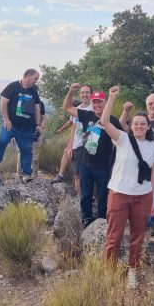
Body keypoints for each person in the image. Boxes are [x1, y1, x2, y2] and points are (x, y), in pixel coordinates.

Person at [102, 86, 154, 288]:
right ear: (131, 125)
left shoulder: (153, 146)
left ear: (148, 127)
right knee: (114, 235)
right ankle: (108, 271)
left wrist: (152, 199)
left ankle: (132, 270)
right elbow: (105, 121)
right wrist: (111, 98)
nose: (139, 126)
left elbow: (152, 173)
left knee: (138, 236)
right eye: (136, 123)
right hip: (119, 194)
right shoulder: (122, 139)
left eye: (143, 124)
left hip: (142, 196)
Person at [63, 83, 122, 226]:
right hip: (85, 164)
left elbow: (123, 138)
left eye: (99, 102)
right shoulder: (86, 115)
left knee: (103, 197)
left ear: (105, 102)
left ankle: (102, 222)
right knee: (85, 195)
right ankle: (87, 221)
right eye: (94, 102)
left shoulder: (112, 120)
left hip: (103, 167)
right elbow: (67, 107)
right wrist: (71, 91)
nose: (96, 105)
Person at [120, 93, 154, 236]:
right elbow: (121, 127)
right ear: (147, 105)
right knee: (136, 193)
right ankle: (136, 219)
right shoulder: (140, 120)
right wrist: (126, 111)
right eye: (150, 103)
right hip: (136, 166)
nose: (153, 106)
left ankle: (152, 222)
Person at [0, 69, 41, 183]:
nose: (36, 81)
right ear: (28, 75)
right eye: (35, 79)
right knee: (2, 140)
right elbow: (3, 103)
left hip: (27, 128)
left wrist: (38, 124)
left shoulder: (33, 91)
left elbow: (37, 108)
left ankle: (27, 173)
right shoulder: (13, 86)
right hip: (11, 124)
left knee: (26, 150)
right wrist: (6, 119)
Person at [51, 85, 92, 194]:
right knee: (77, 175)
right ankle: (81, 200)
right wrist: (70, 146)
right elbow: (73, 127)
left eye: (87, 92)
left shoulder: (94, 107)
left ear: (91, 94)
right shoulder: (77, 109)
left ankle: (89, 197)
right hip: (77, 146)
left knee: (88, 174)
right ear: (79, 94)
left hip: (90, 146)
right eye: (82, 92)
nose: (84, 95)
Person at [17, 86, 47, 180]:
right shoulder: (20, 101)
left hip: (36, 132)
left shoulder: (40, 104)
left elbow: (44, 117)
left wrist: (40, 127)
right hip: (22, 132)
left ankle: (33, 177)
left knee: (35, 157)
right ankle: (20, 177)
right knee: (21, 155)